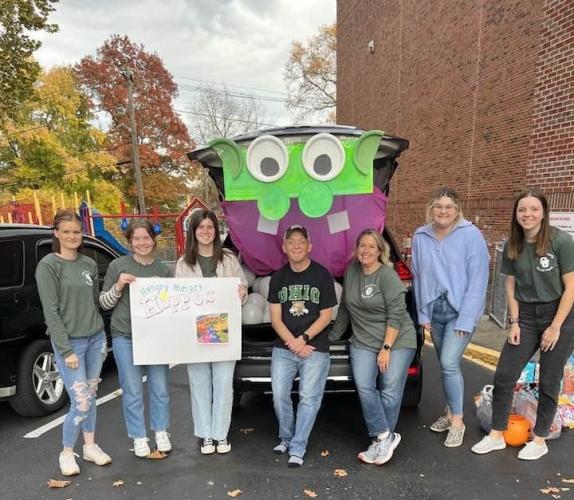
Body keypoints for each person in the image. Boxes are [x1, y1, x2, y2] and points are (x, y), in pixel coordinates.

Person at [472, 189, 574, 460]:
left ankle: (539, 440)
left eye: (533, 209)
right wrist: (514, 322)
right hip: (526, 316)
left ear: (543, 212)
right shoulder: (512, 245)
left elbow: (571, 287)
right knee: (504, 375)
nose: (527, 214)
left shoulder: (561, 241)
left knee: (549, 380)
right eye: (522, 210)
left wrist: (555, 327)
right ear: (516, 214)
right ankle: (496, 435)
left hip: (559, 315)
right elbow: (510, 284)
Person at [330, 229, 417, 465]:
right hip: (363, 340)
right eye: (362, 246)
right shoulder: (352, 272)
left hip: (397, 339)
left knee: (389, 388)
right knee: (365, 386)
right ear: (356, 249)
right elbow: (346, 308)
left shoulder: (387, 276)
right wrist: (332, 338)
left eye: (371, 246)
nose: (366, 250)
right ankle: (385, 436)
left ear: (380, 250)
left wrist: (386, 348)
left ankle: (378, 443)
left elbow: (397, 314)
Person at [35, 209, 112, 476]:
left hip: (96, 340)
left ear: (82, 234)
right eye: (66, 231)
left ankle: (90, 446)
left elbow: (93, 303)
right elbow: (51, 312)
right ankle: (67, 452)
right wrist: (65, 349)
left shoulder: (88, 264)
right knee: (80, 401)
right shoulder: (48, 266)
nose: (72, 236)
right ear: (56, 233)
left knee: (90, 397)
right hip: (71, 345)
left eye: (76, 232)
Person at [411, 186, 489, 447]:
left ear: (457, 210)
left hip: (459, 311)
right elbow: (418, 276)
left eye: (449, 207)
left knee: (449, 363)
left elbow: (478, 281)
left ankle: (458, 421)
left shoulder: (471, 236)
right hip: (434, 310)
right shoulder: (420, 236)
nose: (443, 211)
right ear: (431, 209)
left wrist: (467, 319)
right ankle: (449, 411)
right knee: (446, 366)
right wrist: (423, 312)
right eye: (438, 206)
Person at [175, 209, 247, 455]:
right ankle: (206, 434)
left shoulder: (228, 259)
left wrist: (241, 293)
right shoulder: (183, 263)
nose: (206, 232)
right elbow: (178, 300)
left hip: (223, 330)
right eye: (201, 227)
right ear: (193, 232)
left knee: (224, 384)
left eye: (210, 227)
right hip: (194, 332)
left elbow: (242, 286)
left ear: (216, 231)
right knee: (199, 384)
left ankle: (221, 434)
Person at [99, 220, 172, 457]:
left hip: (156, 337)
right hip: (125, 336)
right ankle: (139, 436)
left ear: (153, 240)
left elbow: (173, 306)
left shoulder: (162, 270)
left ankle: (160, 430)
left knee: (159, 388)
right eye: (136, 239)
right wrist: (119, 286)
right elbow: (104, 303)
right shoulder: (118, 266)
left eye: (146, 238)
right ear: (129, 242)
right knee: (131, 389)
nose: (141, 243)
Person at [268, 225, 337, 468]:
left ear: (310, 246)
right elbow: (275, 319)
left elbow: (326, 316)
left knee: (309, 397)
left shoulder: (322, 275)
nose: (296, 245)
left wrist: (303, 340)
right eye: (291, 241)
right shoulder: (278, 278)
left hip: (314, 347)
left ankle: (298, 445)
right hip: (285, 347)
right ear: (284, 247)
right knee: (278, 395)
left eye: (301, 241)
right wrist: (293, 343)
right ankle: (286, 437)